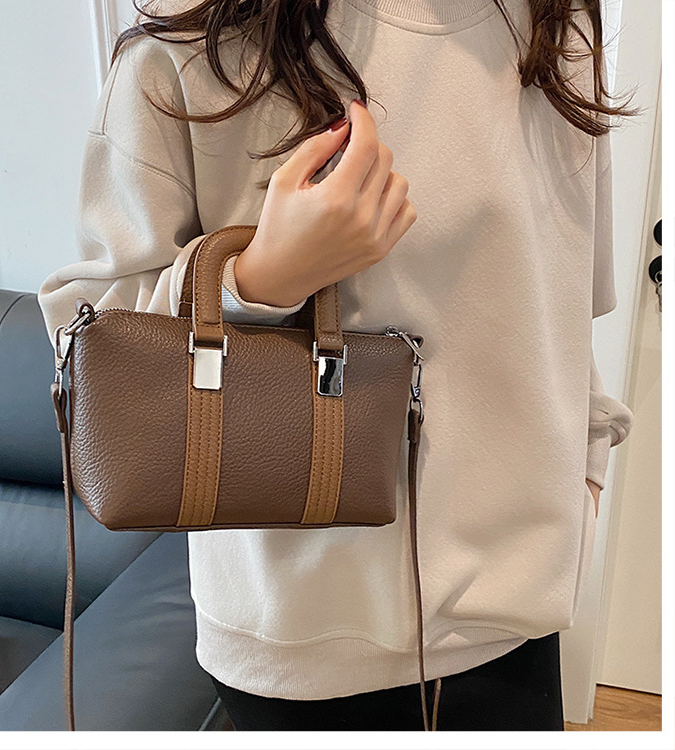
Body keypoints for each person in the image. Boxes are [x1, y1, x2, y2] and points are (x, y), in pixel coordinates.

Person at [37, 0, 637, 731]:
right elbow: (91, 333)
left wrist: (587, 470)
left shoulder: (556, 22)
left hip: (517, 619)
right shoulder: (201, 37)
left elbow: (560, 301)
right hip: (300, 642)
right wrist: (257, 278)